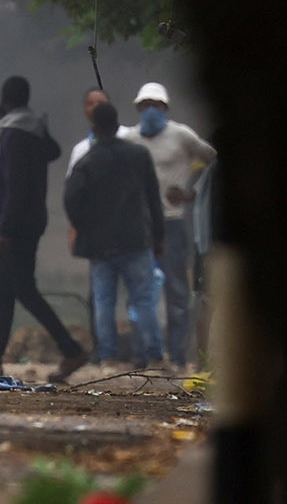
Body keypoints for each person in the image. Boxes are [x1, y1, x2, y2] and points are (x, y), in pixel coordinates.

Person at [0, 75, 88, 383]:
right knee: (5, 289)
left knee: (23, 290)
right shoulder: (32, 130)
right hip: (32, 221)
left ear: (6, 99)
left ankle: (71, 349)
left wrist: (4, 229)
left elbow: (14, 186)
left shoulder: (15, 134)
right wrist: (40, 127)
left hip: (17, 224)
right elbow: (53, 151)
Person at [64, 102, 167, 368]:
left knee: (104, 301)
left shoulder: (87, 161)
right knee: (144, 299)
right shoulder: (139, 155)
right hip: (136, 240)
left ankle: (108, 356)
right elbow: (153, 198)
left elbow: (71, 200)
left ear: (94, 128)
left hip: (100, 245)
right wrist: (158, 236)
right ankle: (152, 355)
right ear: (116, 123)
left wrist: (83, 226)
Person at [126, 82, 217, 369]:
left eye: (157, 105)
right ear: (138, 108)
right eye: (145, 105)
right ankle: (144, 354)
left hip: (174, 223)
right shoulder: (129, 139)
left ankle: (177, 356)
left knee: (177, 292)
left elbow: (213, 161)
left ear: (165, 108)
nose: (151, 110)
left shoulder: (182, 135)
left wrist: (192, 193)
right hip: (140, 225)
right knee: (141, 292)